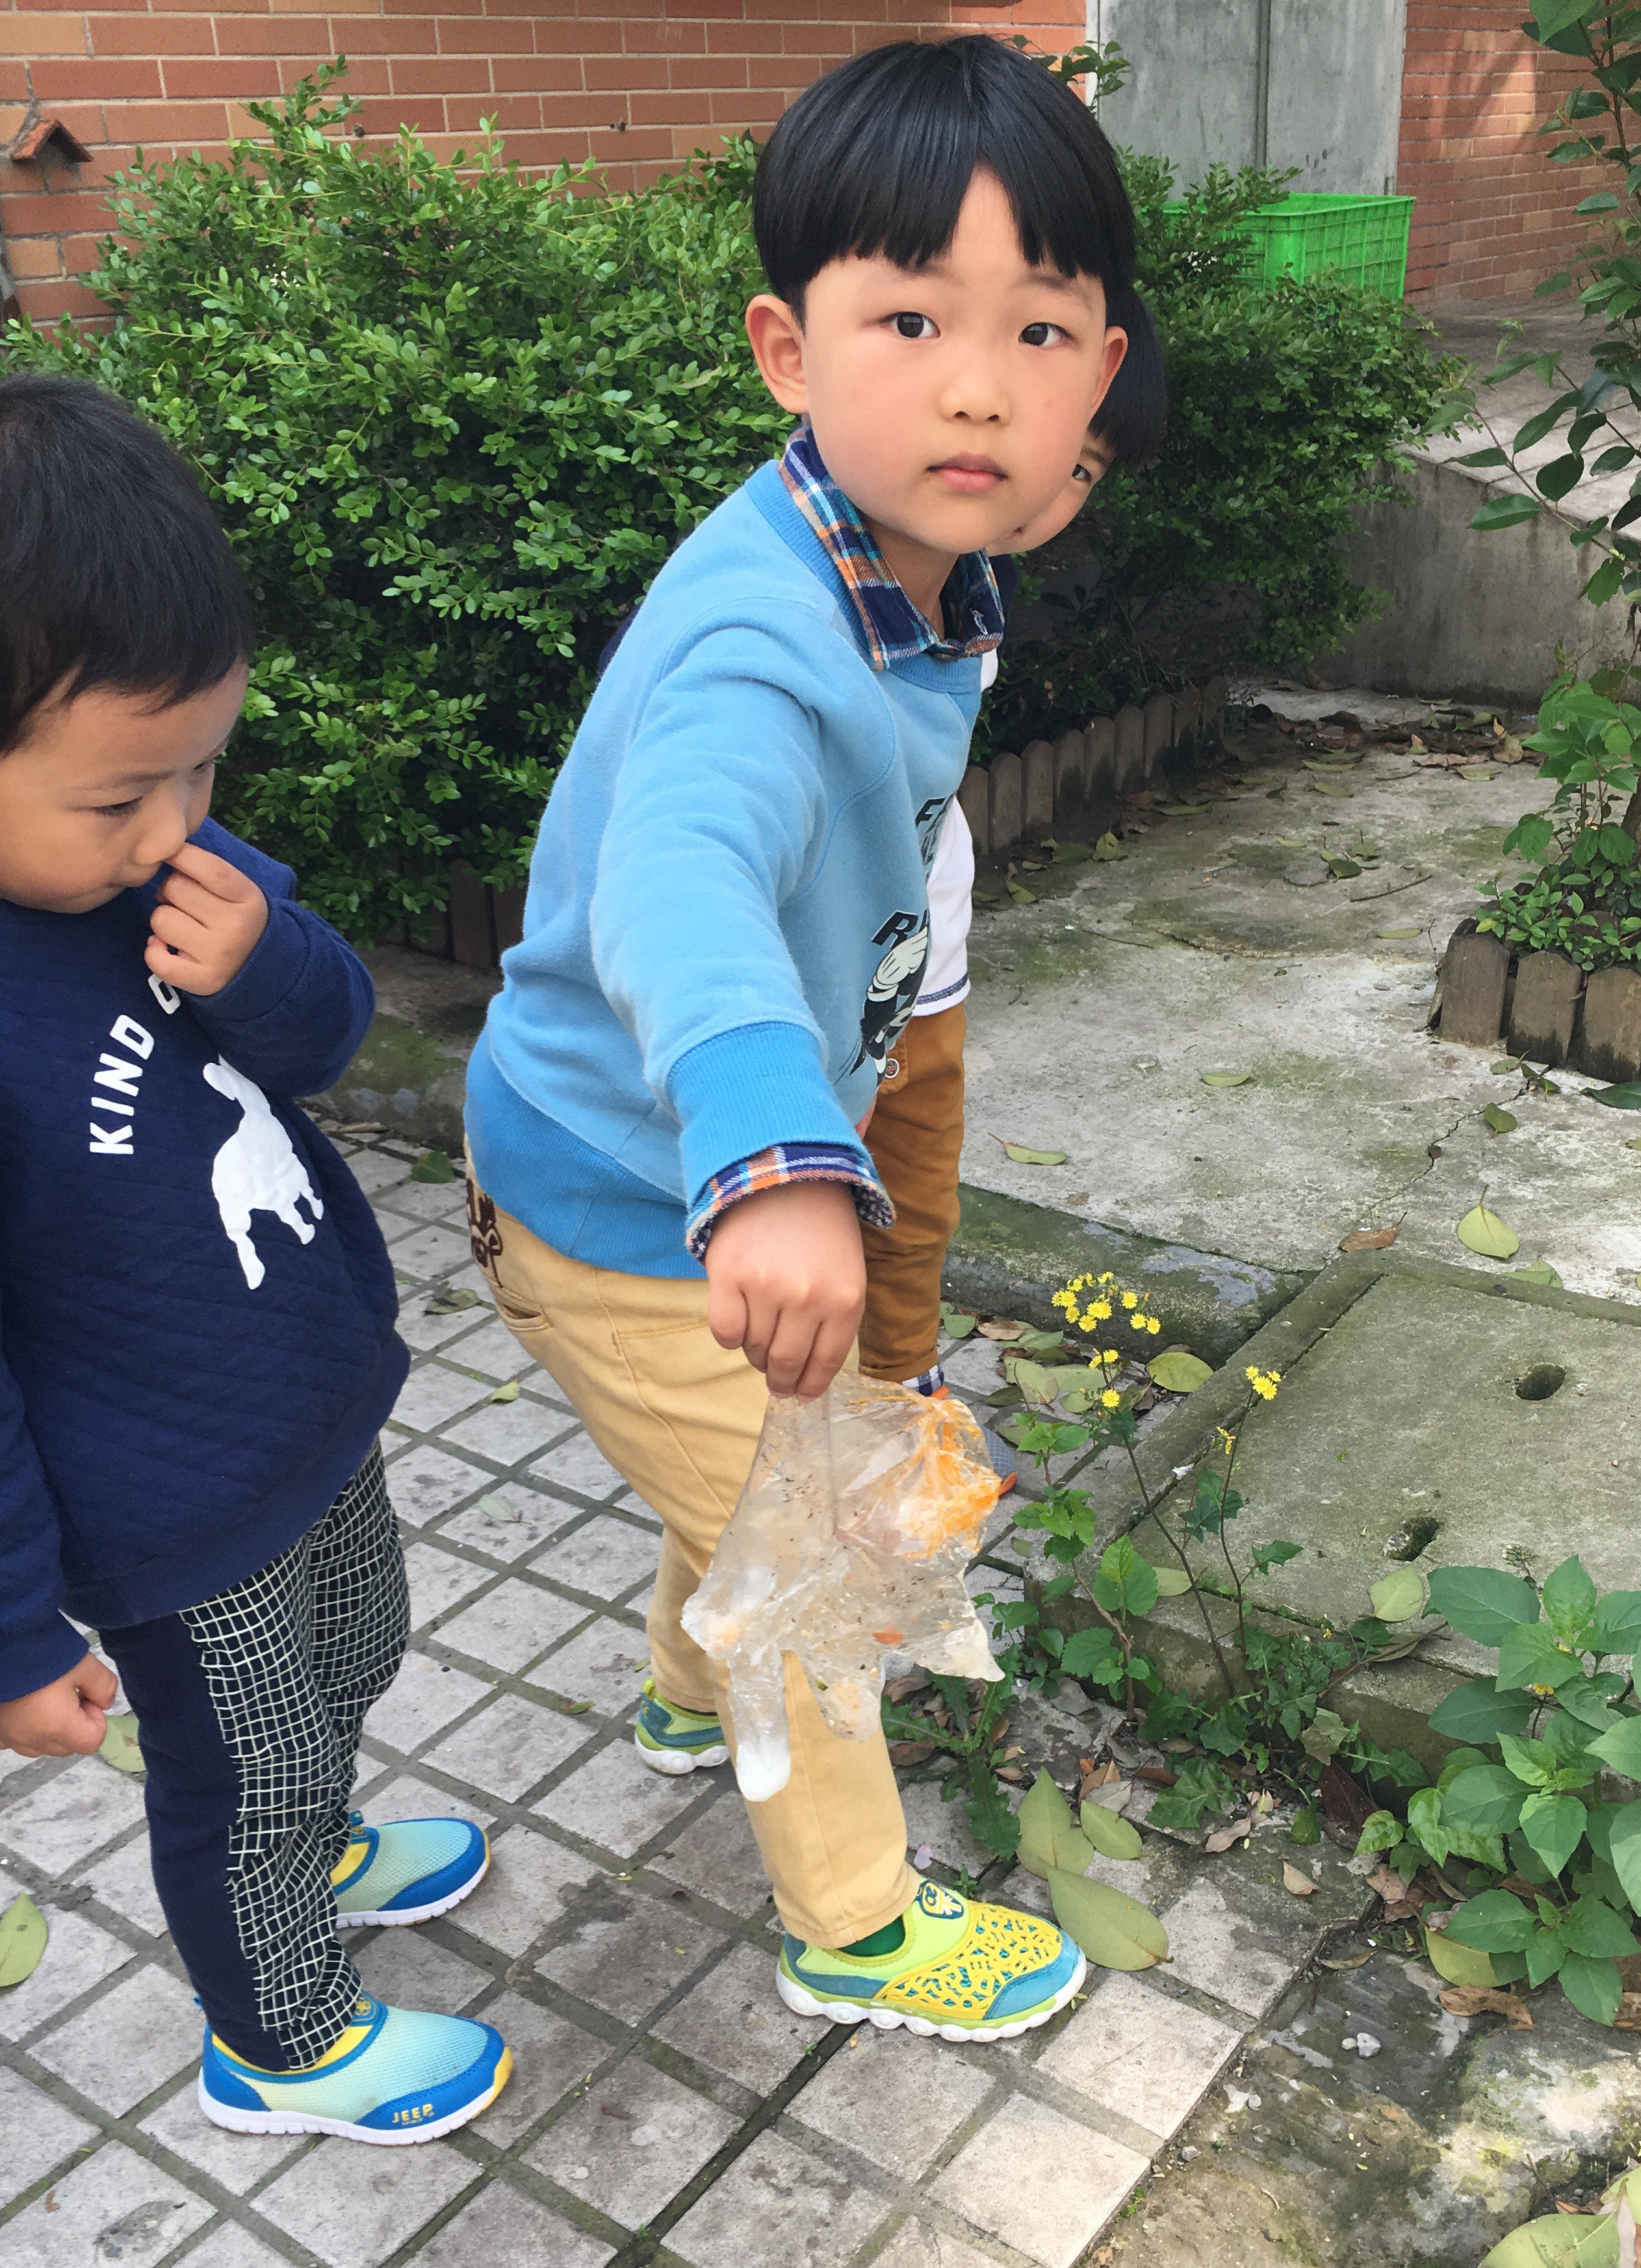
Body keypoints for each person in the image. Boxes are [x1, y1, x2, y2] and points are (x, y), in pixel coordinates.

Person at [465, 35, 1139, 2042]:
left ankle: (690, 1695)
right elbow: (677, 881)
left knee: (761, 1474)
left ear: (1098, 376)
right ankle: (853, 1923)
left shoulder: (918, 558)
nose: (976, 386)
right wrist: (771, 1146)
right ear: (787, 348)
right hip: (637, 1192)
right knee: (823, 1559)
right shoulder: (763, 637)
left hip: (682, 1172)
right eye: (910, 321)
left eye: (1037, 332)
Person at [0, 375, 508, 2144]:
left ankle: (319, 1839)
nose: (175, 822)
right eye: (125, 790)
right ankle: (280, 2035)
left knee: (362, 1644)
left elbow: (326, 1036)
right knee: (243, 1766)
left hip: (306, 1405)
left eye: (205, 764)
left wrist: (261, 954)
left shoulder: (163, 862)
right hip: (166, 1504)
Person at [857, 289, 1169, 1406]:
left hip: (923, 961)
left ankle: (902, 1386)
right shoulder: (800, 591)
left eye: (1080, 468)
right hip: (805, 979)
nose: (1041, 484)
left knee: (916, 1192)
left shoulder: (977, 586)